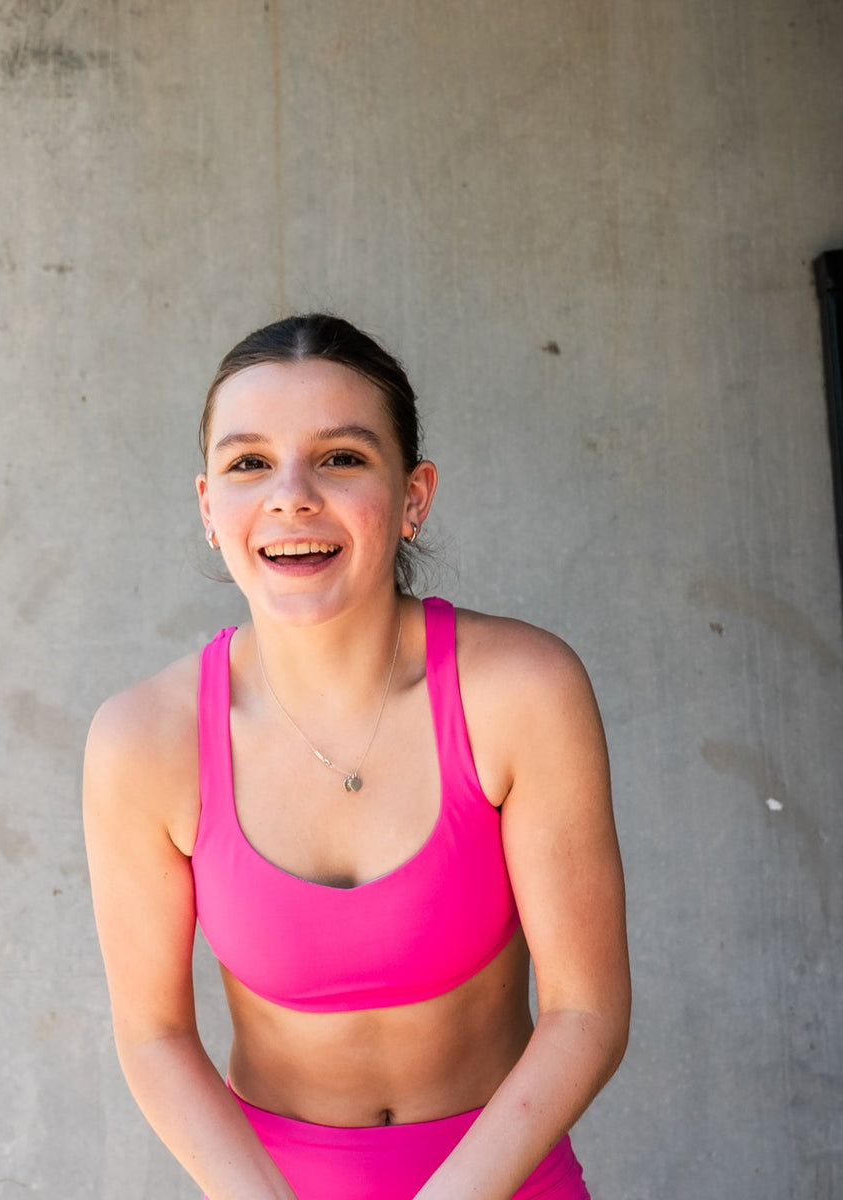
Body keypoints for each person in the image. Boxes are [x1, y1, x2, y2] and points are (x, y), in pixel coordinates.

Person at [83, 314, 630, 1200]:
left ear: (413, 496)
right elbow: (153, 1035)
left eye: (340, 457)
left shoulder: (523, 690)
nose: (291, 494)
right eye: (249, 462)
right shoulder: (143, 740)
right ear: (209, 509)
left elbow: (587, 1013)